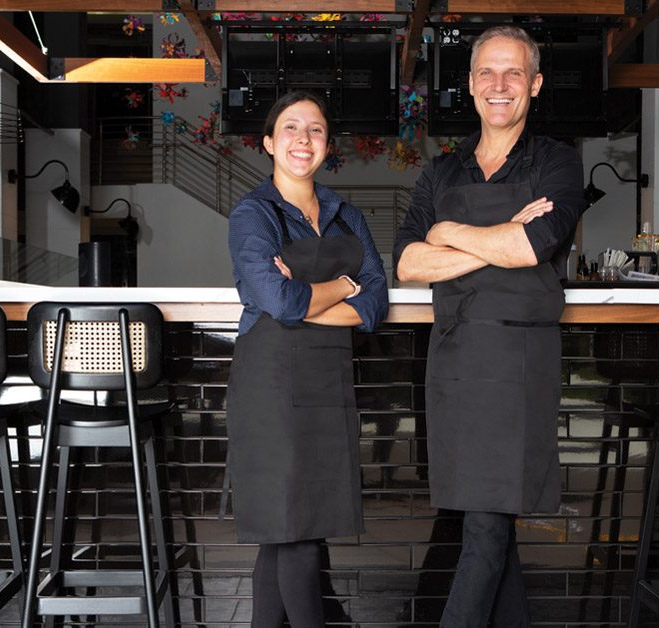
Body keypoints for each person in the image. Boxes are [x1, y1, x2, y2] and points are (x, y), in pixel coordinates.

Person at [392, 25, 586, 626]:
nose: (498, 85)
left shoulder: (556, 162)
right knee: (486, 520)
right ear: (471, 86)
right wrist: (493, 240)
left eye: (512, 73)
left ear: (534, 84)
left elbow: (539, 244)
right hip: (455, 361)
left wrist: (448, 233)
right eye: (486, 73)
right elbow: (406, 262)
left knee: (486, 525)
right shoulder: (441, 172)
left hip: (519, 362)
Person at [225, 90, 389, 627]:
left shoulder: (346, 215)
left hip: (327, 380)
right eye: (291, 128)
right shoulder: (253, 213)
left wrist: (320, 295)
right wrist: (341, 286)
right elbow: (277, 299)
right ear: (270, 142)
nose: (303, 139)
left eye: (315, 130)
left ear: (327, 145)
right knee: (293, 532)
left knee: (290, 534)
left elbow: (374, 302)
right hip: (270, 385)